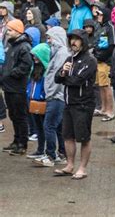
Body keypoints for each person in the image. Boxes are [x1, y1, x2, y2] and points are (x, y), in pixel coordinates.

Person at [54, 29, 97, 179]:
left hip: (83, 104)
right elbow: (57, 78)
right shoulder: (70, 59)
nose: (73, 42)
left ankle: (82, 168)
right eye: (72, 39)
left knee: (84, 137)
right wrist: (63, 73)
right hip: (68, 104)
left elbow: (76, 81)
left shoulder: (90, 60)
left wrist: (66, 77)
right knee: (67, 136)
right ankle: (70, 165)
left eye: (77, 39)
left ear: (83, 42)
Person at [33, 27, 69, 167]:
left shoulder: (61, 54)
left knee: (49, 126)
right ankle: (62, 153)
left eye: (50, 38)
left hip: (56, 96)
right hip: (56, 96)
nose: (48, 41)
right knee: (58, 127)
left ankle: (51, 155)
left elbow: (57, 76)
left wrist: (50, 94)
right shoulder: (57, 52)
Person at [1, 20, 33, 155]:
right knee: (13, 115)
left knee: (20, 116)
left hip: (17, 87)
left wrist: (11, 74)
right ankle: (16, 140)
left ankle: (22, 143)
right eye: (7, 30)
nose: (8, 32)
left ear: (18, 31)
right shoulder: (11, 45)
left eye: (11, 30)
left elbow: (25, 66)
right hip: (8, 86)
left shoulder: (24, 46)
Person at [25, 43, 50, 159]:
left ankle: (48, 151)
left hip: (43, 103)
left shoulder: (47, 71)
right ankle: (40, 149)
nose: (34, 58)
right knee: (39, 128)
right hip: (33, 103)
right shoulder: (33, 69)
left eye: (36, 55)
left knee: (46, 128)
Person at [92, 8, 115, 122]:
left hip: (106, 62)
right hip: (98, 60)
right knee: (100, 85)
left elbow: (112, 46)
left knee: (106, 86)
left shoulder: (110, 27)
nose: (98, 17)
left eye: (100, 15)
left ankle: (110, 111)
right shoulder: (100, 27)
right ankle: (103, 108)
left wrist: (101, 56)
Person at [0, 1, 14, 133]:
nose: (1, 10)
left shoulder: (12, 23)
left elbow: (10, 41)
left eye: (3, 8)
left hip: (4, 55)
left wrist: (4, 51)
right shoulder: (1, 22)